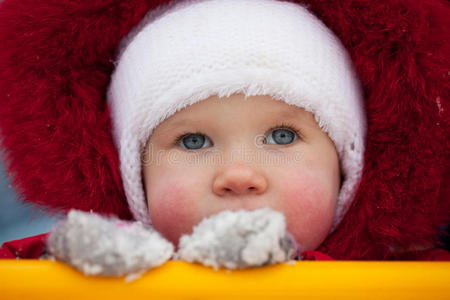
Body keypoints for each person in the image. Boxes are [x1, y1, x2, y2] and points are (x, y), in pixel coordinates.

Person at [0, 0, 448, 262]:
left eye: (282, 137)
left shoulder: (412, 280)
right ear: (135, 177)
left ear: (346, 173)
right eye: (193, 141)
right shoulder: (78, 268)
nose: (238, 175)